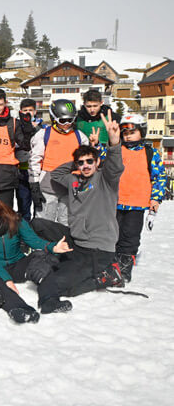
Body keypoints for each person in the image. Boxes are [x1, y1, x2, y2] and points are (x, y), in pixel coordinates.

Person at [43, 111, 126, 296]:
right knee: (37, 224)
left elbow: (115, 167)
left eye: (90, 161)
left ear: (97, 162)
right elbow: (56, 174)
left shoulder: (105, 180)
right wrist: (74, 163)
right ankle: (54, 257)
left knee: (68, 291)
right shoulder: (75, 182)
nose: (86, 165)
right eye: (81, 163)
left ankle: (107, 275)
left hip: (97, 248)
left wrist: (114, 143)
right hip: (77, 241)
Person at [0, 193, 74, 322]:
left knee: (43, 259)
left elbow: (33, 240)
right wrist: (6, 279)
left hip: (18, 262)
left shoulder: (15, 220)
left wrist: (52, 247)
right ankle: (19, 309)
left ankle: (49, 301)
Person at [112, 114, 166, 282]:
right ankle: (110, 267)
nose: (127, 135)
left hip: (136, 204)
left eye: (132, 131)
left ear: (141, 131)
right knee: (113, 235)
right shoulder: (116, 149)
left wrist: (155, 199)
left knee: (130, 237)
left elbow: (159, 177)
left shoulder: (150, 153)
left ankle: (125, 269)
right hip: (115, 202)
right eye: (124, 131)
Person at [28, 99, 88, 225]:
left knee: (66, 222)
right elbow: (35, 159)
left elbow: (86, 162)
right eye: (62, 120)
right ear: (54, 118)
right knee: (45, 221)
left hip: (70, 186)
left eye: (70, 120)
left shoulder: (79, 136)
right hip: (48, 186)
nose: (67, 124)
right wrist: (34, 184)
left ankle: (66, 243)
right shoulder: (44, 134)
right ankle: (42, 244)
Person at [16, 98, 42, 221]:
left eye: (30, 110)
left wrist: (35, 129)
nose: (27, 113)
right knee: (23, 206)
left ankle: (38, 230)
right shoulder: (17, 127)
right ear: (20, 112)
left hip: (37, 172)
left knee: (39, 205)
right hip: (21, 171)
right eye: (25, 110)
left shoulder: (41, 127)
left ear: (35, 112)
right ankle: (24, 231)